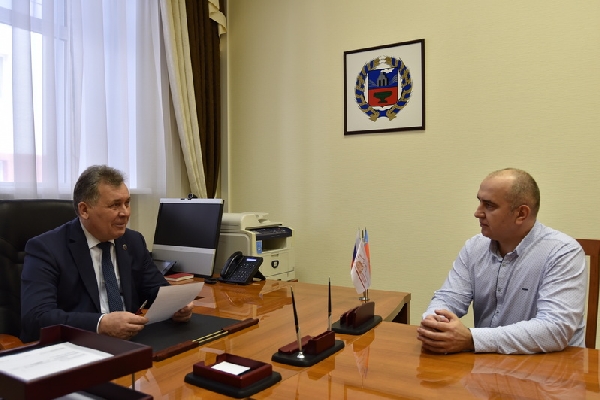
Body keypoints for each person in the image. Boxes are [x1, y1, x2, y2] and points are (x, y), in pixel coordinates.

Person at [418, 168, 586, 354]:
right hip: (487, 363)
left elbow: (555, 329)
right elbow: (448, 298)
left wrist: (472, 339)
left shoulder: (563, 252)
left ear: (521, 214)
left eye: (489, 205)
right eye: (479, 202)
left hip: (549, 366)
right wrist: (435, 323)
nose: (477, 213)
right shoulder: (474, 247)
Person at [21, 165, 194, 342]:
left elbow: (154, 288)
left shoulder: (133, 241)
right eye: (115, 205)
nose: (125, 213)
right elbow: (36, 318)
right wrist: (100, 324)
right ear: (84, 210)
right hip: (81, 344)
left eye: (127, 203)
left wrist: (176, 304)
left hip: (132, 340)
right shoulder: (46, 249)